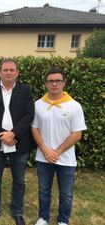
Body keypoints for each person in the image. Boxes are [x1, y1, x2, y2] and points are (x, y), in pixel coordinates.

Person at [0, 59, 35, 225]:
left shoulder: (25, 91)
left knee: (19, 179)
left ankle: (17, 211)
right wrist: (2, 134)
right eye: (6, 70)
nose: (9, 73)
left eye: (12, 70)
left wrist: (13, 134)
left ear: (17, 73)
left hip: (20, 142)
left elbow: (29, 115)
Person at [32, 67, 87, 225]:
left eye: (58, 80)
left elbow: (77, 133)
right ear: (46, 84)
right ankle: (43, 218)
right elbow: (34, 128)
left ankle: (63, 220)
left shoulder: (74, 106)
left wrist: (56, 152)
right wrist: (45, 150)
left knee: (66, 194)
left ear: (64, 83)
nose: (54, 84)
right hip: (43, 157)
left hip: (66, 159)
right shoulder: (38, 105)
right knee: (43, 191)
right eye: (51, 81)